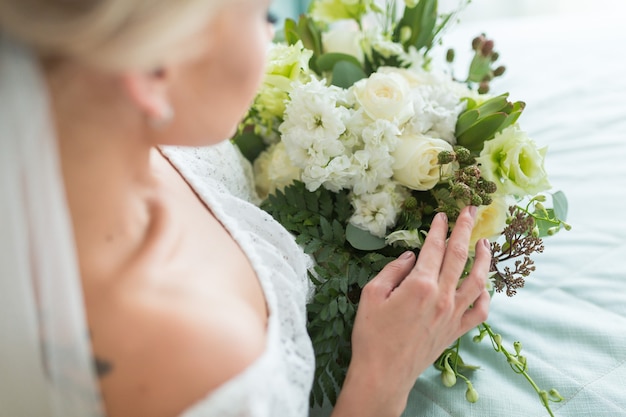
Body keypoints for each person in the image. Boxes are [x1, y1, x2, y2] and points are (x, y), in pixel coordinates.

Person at [0, 0, 492, 416]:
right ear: (154, 69)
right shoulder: (195, 356)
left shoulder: (120, 133)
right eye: (265, 14)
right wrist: (383, 376)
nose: (270, 28)